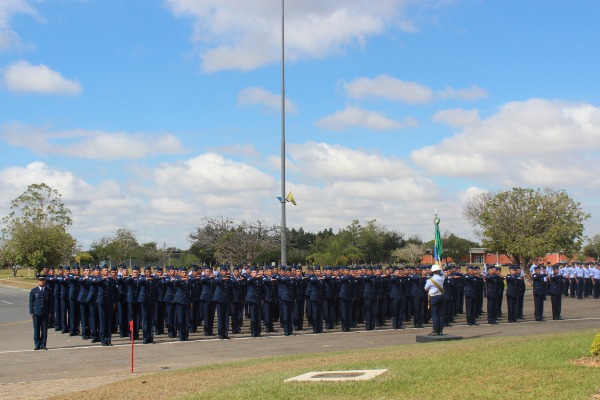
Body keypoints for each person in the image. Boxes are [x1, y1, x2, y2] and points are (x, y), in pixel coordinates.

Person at [30, 275, 53, 350]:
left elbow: (50, 303)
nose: (42, 282)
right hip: (36, 312)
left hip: (45, 312)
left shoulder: (48, 290)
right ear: (38, 282)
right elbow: (31, 302)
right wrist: (31, 312)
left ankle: (43, 344)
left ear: (45, 281)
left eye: (43, 280)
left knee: (44, 329)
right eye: (40, 280)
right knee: (36, 329)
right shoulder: (34, 290)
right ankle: (37, 344)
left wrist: (50, 312)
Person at [424, 264, 445, 336]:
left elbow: (426, 288)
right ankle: (441, 330)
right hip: (441, 296)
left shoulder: (430, 280)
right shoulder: (441, 278)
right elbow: (443, 275)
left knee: (435, 315)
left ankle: (436, 330)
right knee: (441, 314)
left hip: (434, 297)